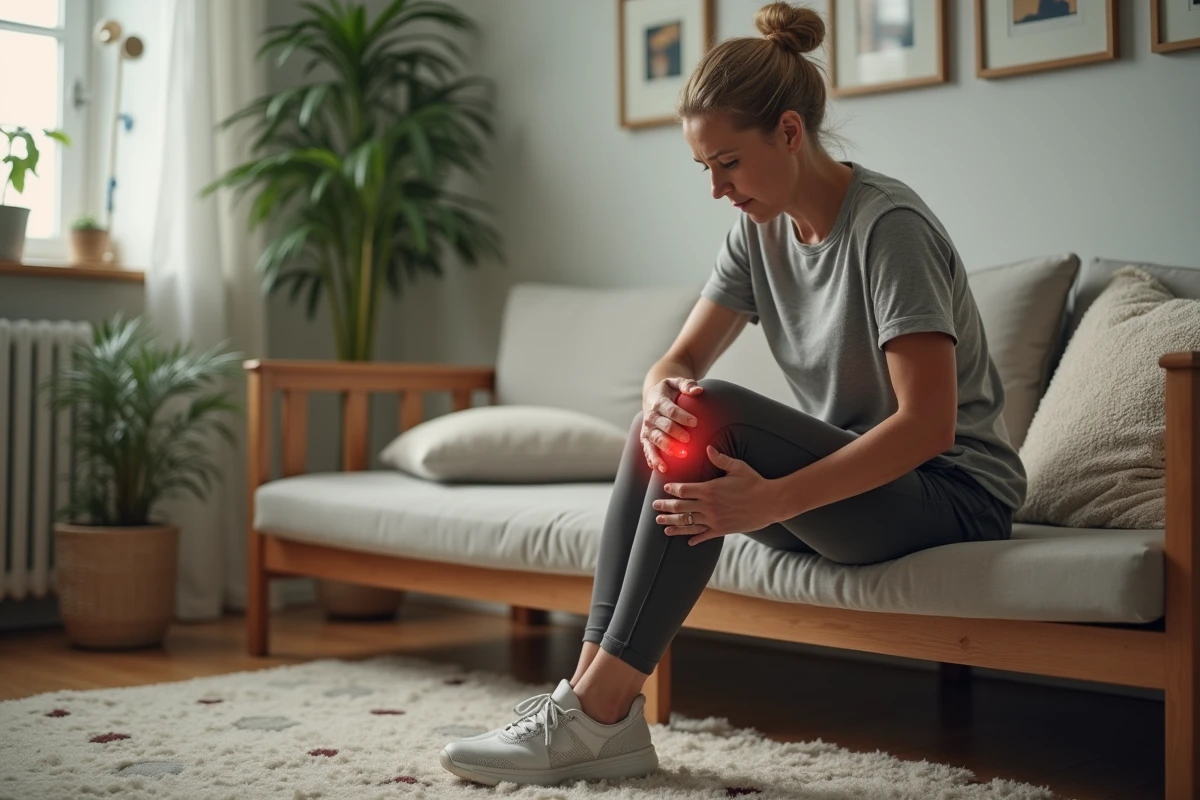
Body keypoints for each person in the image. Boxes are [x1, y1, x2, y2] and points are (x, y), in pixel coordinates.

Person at [439, 0, 1026, 787]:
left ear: (789, 132)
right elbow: (676, 358)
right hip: (848, 497)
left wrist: (773, 501)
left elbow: (927, 426)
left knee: (707, 409)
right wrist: (657, 398)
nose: (717, 189)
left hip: (947, 495)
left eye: (728, 163)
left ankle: (598, 716)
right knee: (675, 412)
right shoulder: (759, 228)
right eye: (704, 169)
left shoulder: (889, 230)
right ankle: (586, 702)